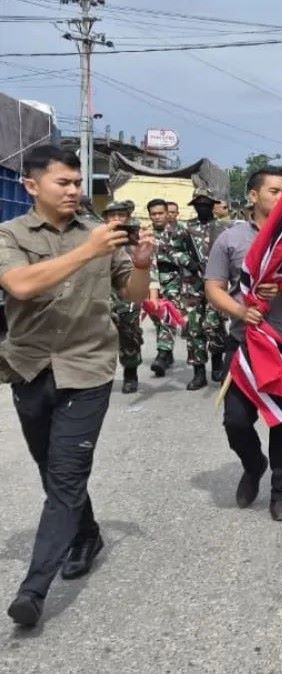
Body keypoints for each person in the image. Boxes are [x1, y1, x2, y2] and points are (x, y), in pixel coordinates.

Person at [0, 144, 155, 626]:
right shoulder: (10, 234)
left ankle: (34, 589)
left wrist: (143, 262)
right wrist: (89, 250)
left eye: (77, 182)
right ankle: (86, 533)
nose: (74, 190)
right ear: (32, 186)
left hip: (87, 369)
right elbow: (20, 285)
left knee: (66, 475)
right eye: (62, 182)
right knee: (51, 468)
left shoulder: (100, 235)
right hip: (29, 367)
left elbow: (131, 292)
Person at [205, 167, 282, 522]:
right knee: (236, 421)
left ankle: (280, 492)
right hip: (244, 343)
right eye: (274, 190)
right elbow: (213, 287)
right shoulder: (230, 239)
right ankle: (254, 463)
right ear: (254, 196)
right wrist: (240, 311)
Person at [166, 186, 228, 391]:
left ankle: (218, 364)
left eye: (206, 205)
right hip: (192, 286)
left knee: (215, 324)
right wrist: (189, 262)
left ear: (212, 206)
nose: (203, 208)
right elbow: (170, 249)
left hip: (217, 284)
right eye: (199, 205)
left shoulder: (222, 228)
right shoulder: (184, 228)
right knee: (194, 329)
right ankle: (198, 372)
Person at [103, 200, 145, 393]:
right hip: (103, 295)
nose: (117, 219)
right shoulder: (97, 238)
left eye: (121, 215)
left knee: (129, 334)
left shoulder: (136, 238)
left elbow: (145, 267)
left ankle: (130, 373)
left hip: (127, 295)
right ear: (105, 219)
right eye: (112, 215)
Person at [146, 198, 180, 377]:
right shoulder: (146, 234)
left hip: (173, 279)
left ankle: (162, 353)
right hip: (151, 281)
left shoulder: (179, 232)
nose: (157, 217)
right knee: (156, 318)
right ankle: (167, 352)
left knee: (167, 314)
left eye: (160, 213)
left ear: (167, 213)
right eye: (154, 214)